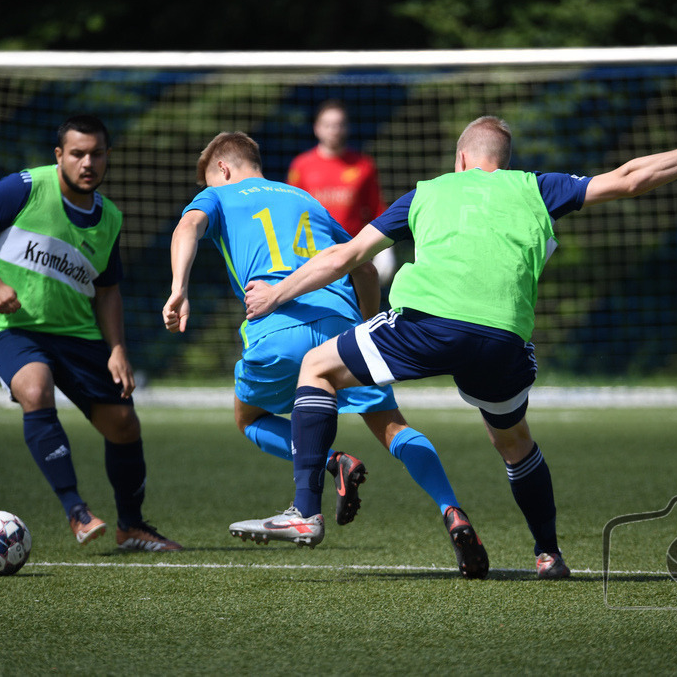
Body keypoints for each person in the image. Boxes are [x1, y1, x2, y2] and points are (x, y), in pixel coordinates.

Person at [243, 102, 677, 579]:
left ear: (461, 158)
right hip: (502, 340)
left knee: (317, 366)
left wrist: (275, 295)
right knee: (514, 443)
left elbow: (345, 258)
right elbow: (630, 179)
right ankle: (548, 553)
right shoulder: (537, 187)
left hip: (426, 328)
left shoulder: (428, 191)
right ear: (503, 160)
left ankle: (305, 513)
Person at [161, 132, 487, 577]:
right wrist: (366, 331)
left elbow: (187, 228)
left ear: (222, 169)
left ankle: (330, 465)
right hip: (344, 331)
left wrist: (179, 287)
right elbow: (365, 267)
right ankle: (452, 510)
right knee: (393, 427)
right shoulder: (307, 200)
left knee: (249, 418)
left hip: (278, 326)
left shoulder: (217, 195)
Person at [0, 115, 181, 552]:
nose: (87, 162)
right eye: (77, 153)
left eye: (96, 154)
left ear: (108, 157)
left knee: (124, 425)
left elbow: (108, 290)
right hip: (9, 327)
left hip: (75, 333)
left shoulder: (109, 217)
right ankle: (76, 511)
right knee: (36, 388)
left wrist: (117, 349)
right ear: (60, 156)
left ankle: (131, 526)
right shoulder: (24, 187)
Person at [288, 99, 396, 283]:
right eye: (328, 125)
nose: (334, 130)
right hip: (310, 258)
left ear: (347, 128)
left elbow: (377, 210)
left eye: (339, 125)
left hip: (353, 256)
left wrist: (386, 248)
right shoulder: (301, 166)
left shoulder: (364, 166)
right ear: (317, 128)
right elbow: (290, 213)